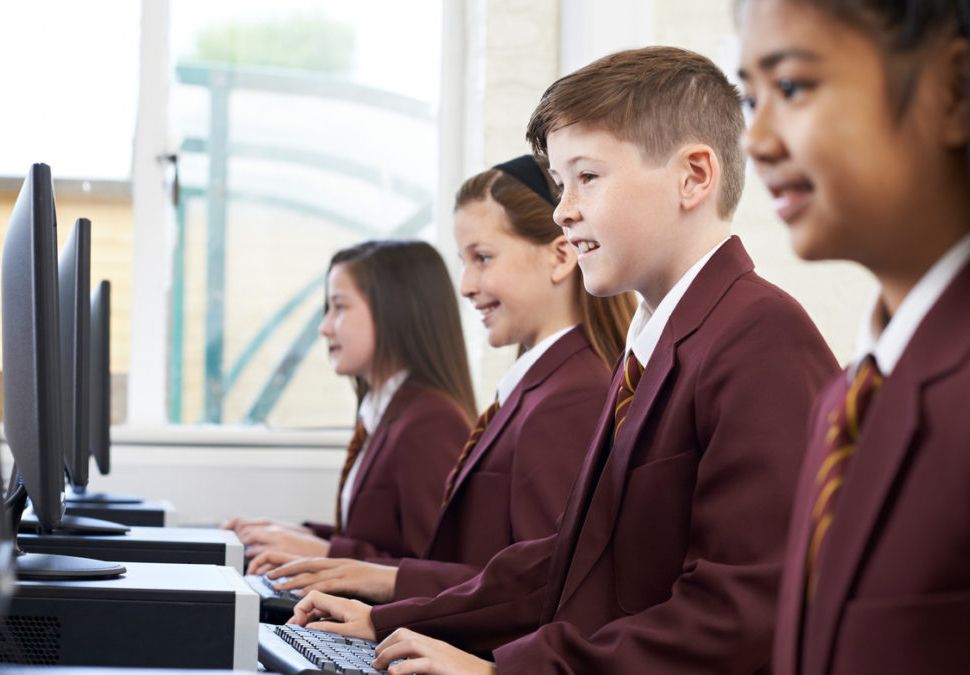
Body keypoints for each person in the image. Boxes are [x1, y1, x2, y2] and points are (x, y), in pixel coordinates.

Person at [287, 46, 840, 674]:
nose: (563, 209)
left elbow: (743, 612)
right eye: (560, 183)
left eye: (588, 177)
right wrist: (389, 616)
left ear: (693, 177)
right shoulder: (653, 345)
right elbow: (570, 562)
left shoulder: (760, 337)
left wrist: (506, 672)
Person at [247, 155, 635, 605]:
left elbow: (545, 590)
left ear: (561, 256)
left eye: (483, 258)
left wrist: (380, 594)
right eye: (464, 262)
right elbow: (491, 566)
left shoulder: (570, 396)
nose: (467, 285)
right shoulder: (538, 389)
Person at [738, 1, 970, 673]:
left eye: (791, 87)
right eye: (750, 97)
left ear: (953, 91)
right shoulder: (846, 397)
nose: (756, 138)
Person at [224, 240, 476, 562]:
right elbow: (378, 540)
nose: (324, 327)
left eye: (339, 307)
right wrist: (295, 536)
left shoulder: (430, 421)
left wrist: (325, 553)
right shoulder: (383, 409)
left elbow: (437, 573)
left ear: (393, 311)